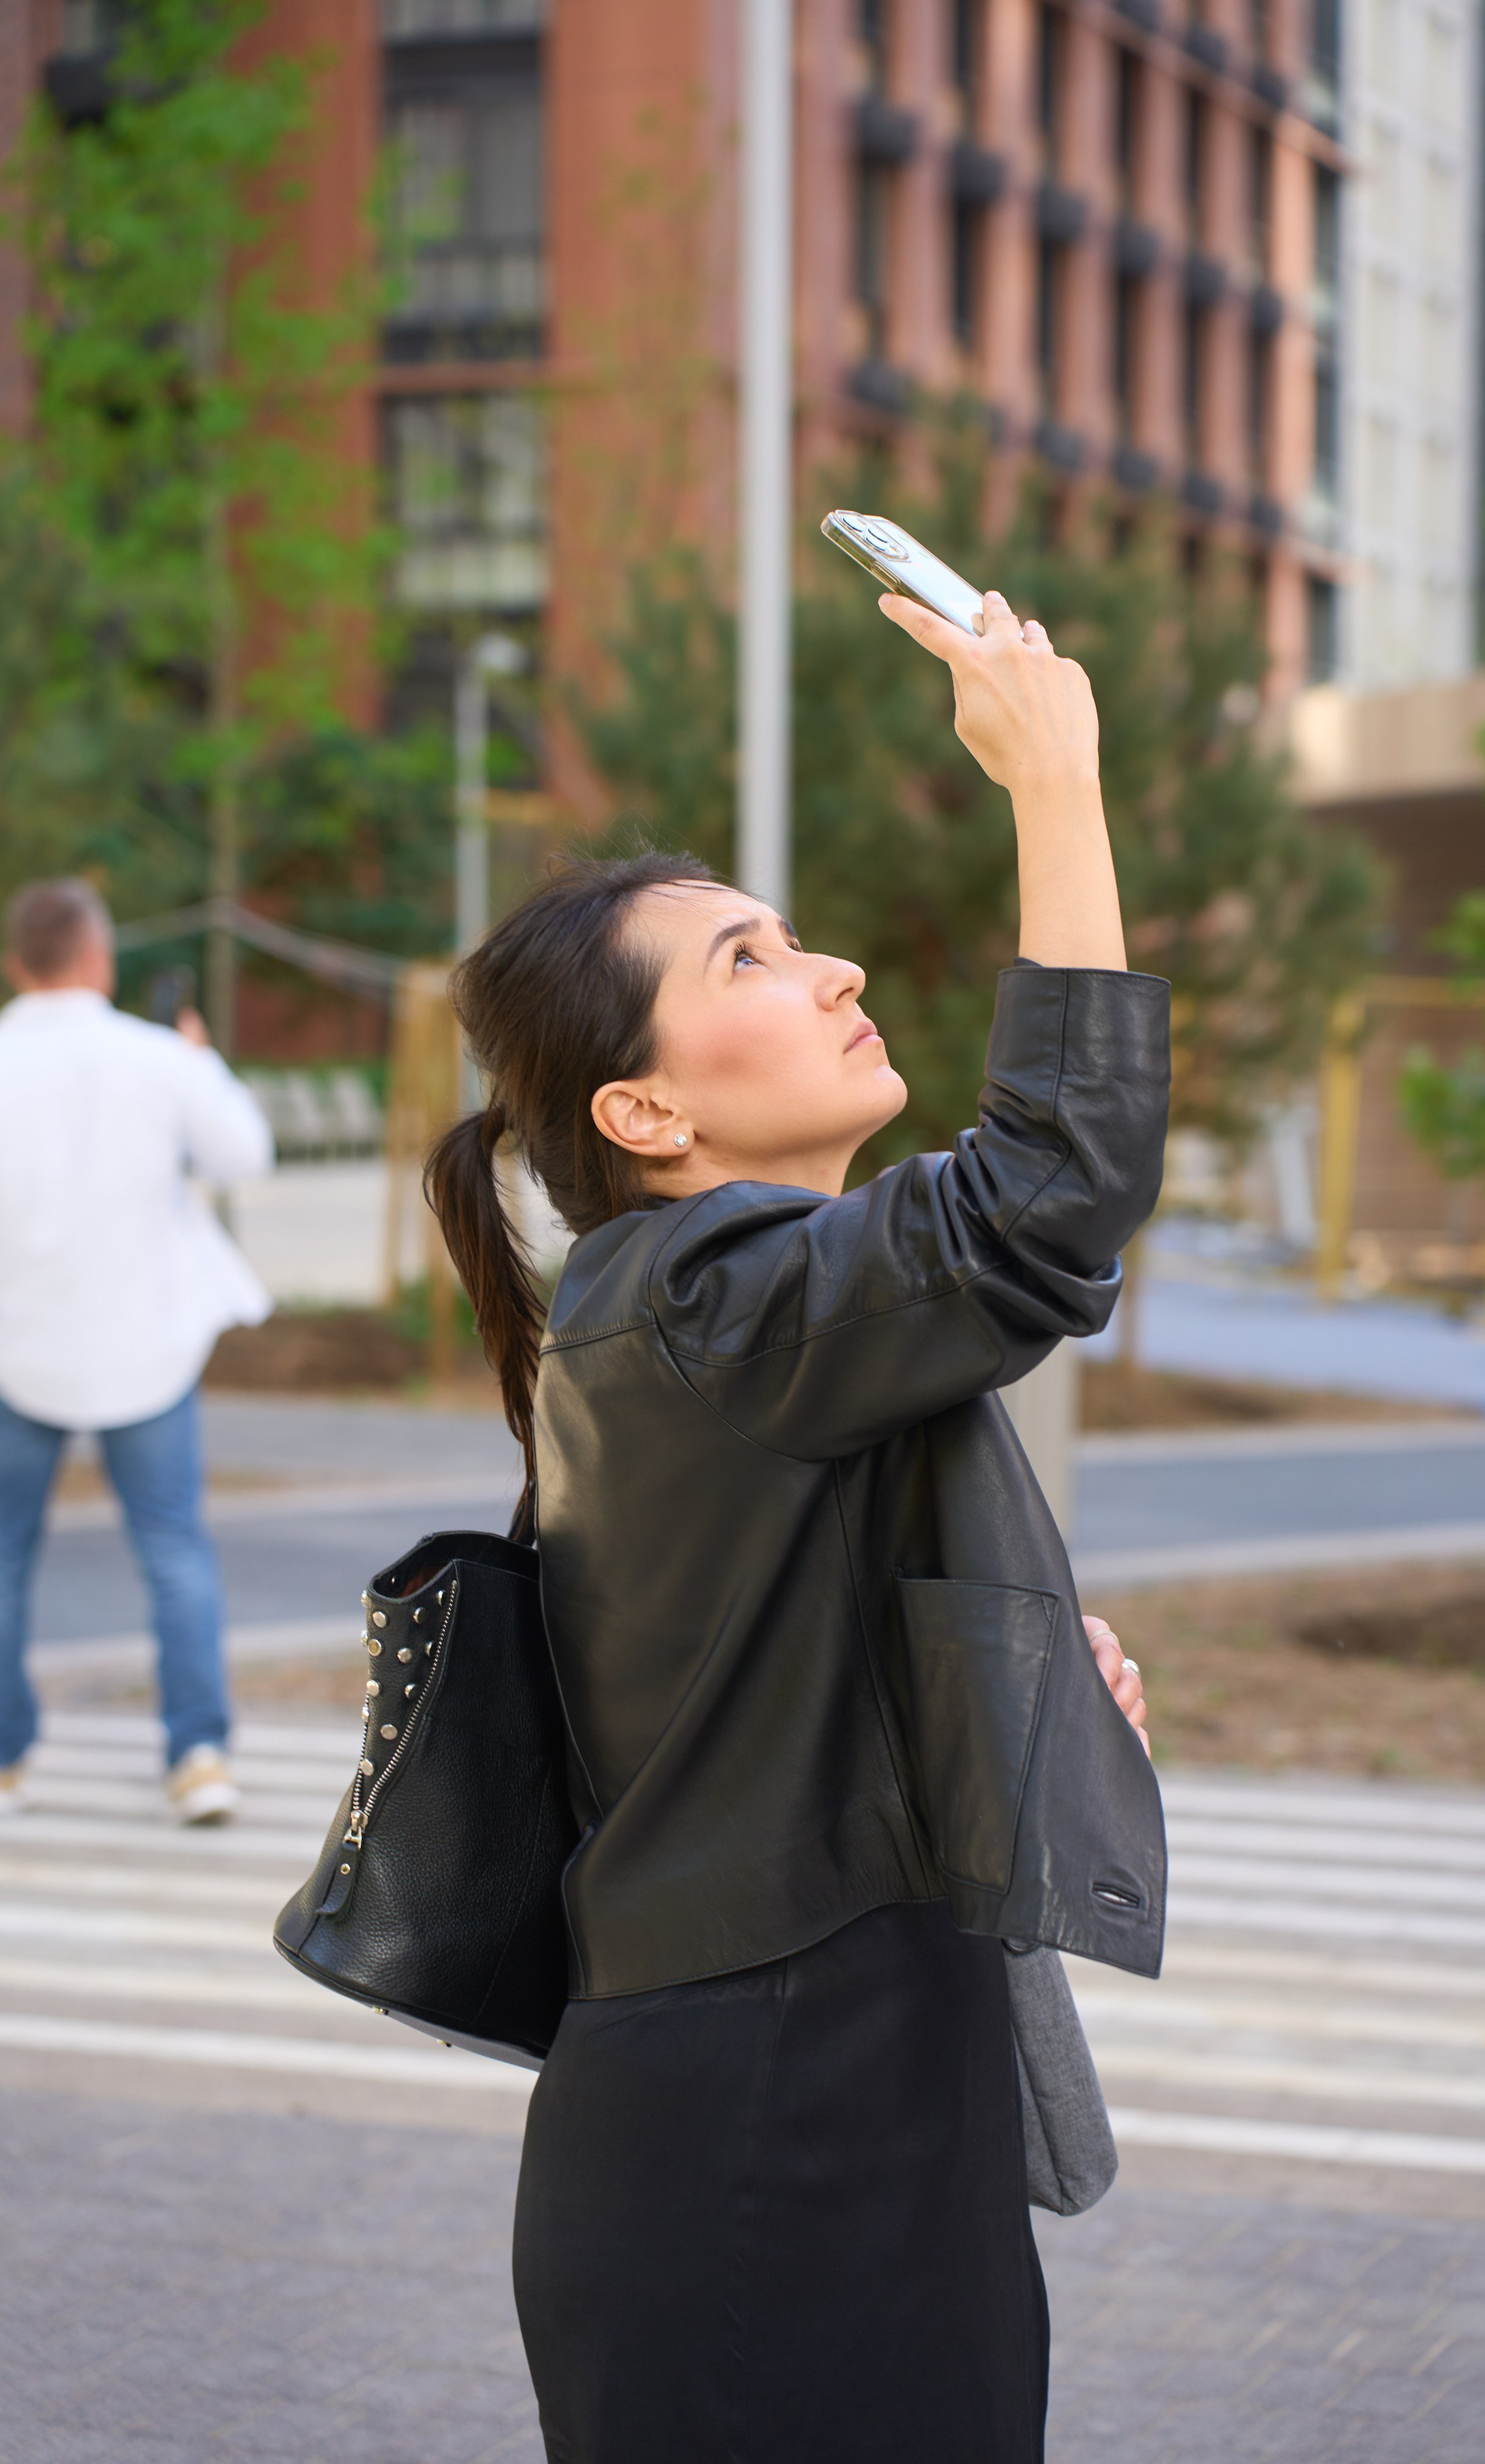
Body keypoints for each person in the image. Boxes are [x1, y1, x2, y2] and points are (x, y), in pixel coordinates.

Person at [425, 590, 1167, 2463]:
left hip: (850, 2093)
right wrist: (1054, 784)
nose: (832, 968)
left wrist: (1003, 1684)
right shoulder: (699, 1289)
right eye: (750, 958)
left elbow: (754, 1689)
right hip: (765, 2131)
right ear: (645, 1106)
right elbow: (1046, 1199)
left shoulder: (730, 1306)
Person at [0, 879, 274, 1823]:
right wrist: (204, 1063)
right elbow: (244, 1155)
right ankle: (198, 1756)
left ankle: (4, 1765)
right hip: (143, 1346)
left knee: (2, 1558)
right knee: (174, 1554)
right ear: (98, 958)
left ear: (16, 964)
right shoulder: (160, 1059)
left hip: (15, 1345)